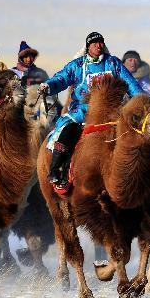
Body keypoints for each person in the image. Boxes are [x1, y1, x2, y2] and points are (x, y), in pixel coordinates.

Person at [39, 32, 144, 191]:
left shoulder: (113, 63)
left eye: (101, 42)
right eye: (94, 43)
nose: (98, 45)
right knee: (67, 131)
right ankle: (56, 170)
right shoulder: (78, 65)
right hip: (82, 112)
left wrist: (142, 100)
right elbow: (62, 78)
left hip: (111, 112)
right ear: (88, 46)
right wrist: (48, 85)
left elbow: (130, 84)